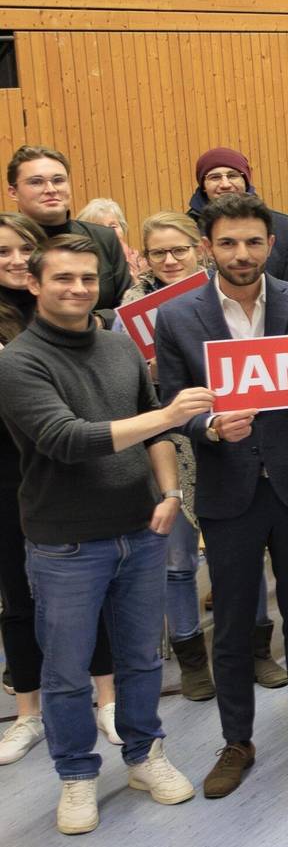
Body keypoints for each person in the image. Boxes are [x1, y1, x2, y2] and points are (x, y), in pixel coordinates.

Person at [154, 194, 288, 797]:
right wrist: (209, 427)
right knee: (235, 628)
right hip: (227, 490)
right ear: (207, 248)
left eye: (253, 242)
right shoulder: (178, 318)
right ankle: (236, 742)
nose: (241, 254)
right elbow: (174, 410)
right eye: (228, 243)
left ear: (270, 245)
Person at [0, 235, 208, 833]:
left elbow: (155, 438)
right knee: (65, 671)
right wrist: (169, 414)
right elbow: (69, 439)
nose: (78, 289)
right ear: (35, 285)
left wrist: (168, 493)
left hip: (140, 531)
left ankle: (146, 756)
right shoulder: (18, 363)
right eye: (63, 279)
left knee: (142, 659)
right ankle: (76, 777)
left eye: (88, 278)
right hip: (65, 544)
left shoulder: (119, 348)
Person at [0, 213, 121, 767]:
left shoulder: (80, 318)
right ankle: (29, 713)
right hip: (11, 471)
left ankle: (108, 699)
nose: (15, 260)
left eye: (23, 249)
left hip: (78, 471)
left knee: (90, 592)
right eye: (2, 252)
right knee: (19, 598)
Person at [118, 213, 223, 700]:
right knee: (178, 562)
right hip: (166, 445)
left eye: (178, 249)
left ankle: (252, 650)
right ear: (144, 256)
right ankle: (192, 658)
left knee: (232, 554)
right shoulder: (131, 309)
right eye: (158, 252)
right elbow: (124, 390)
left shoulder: (223, 293)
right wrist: (150, 370)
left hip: (224, 434)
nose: (170, 260)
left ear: (198, 249)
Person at [5, 145, 131, 312]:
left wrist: (100, 321)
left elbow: (128, 305)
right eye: (36, 182)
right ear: (13, 192)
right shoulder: (7, 247)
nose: (51, 190)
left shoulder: (104, 238)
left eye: (58, 180)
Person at [187, 147, 288, 282]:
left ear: (245, 181)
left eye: (233, 175)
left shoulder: (285, 227)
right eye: (215, 177)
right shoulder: (186, 229)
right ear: (203, 185)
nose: (225, 184)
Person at [76, 198, 144, 282]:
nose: (109, 232)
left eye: (113, 226)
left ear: (122, 228)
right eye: (100, 228)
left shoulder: (140, 262)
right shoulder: (82, 266)